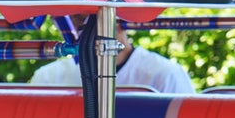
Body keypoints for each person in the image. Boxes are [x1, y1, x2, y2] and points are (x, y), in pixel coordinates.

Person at [31, 16, 194, 93]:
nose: (76, 31)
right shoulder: (47, 78)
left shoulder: (165, 75)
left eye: (83, 20)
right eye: (65, 22)